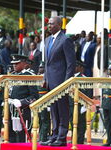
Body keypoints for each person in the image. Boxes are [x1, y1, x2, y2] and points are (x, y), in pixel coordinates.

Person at [40, 16, 76, 147]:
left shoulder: (66, 40)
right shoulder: (48, 40)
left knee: (62, 110)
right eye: (48, 24)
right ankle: (54, 136)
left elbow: (71, 64)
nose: (49, 26)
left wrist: (66, 83)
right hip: (50, 81)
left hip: (61, 82)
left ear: (59, 25)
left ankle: (61, 138)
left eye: (52, 24)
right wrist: (45, 78)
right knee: (53, 111)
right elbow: (47, 63)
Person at [8, 54, 39, 143]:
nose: (14, 65)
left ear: (24, 64)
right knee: (11, 135)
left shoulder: (29, 75)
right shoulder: (13, 75)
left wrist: (22, 102)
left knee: (22, 137)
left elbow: (34, 96)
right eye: (13, 64)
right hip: (11, 109)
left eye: (17, 63)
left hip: (23, 110)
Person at [69, 61, 92, 144]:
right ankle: (73, 141)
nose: (74, 68)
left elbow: (88, 93)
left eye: (76, 66)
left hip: (80, 106)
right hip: (71, 105)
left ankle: (79, 142)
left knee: (81, 126)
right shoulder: (70, 78)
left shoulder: (83, 78)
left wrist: (85, 106)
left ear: (80, 68)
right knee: (73, 125)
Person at [37, 61, 50, 142]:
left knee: (45, 119)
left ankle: (45, 136)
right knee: (40, 119)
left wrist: (49, 104)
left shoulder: (48, 77)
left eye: (42, 67)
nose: (40, 69)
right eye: (39, 67)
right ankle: (41, 136)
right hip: (39, 100)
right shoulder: (37, 77)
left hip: (45, 100)